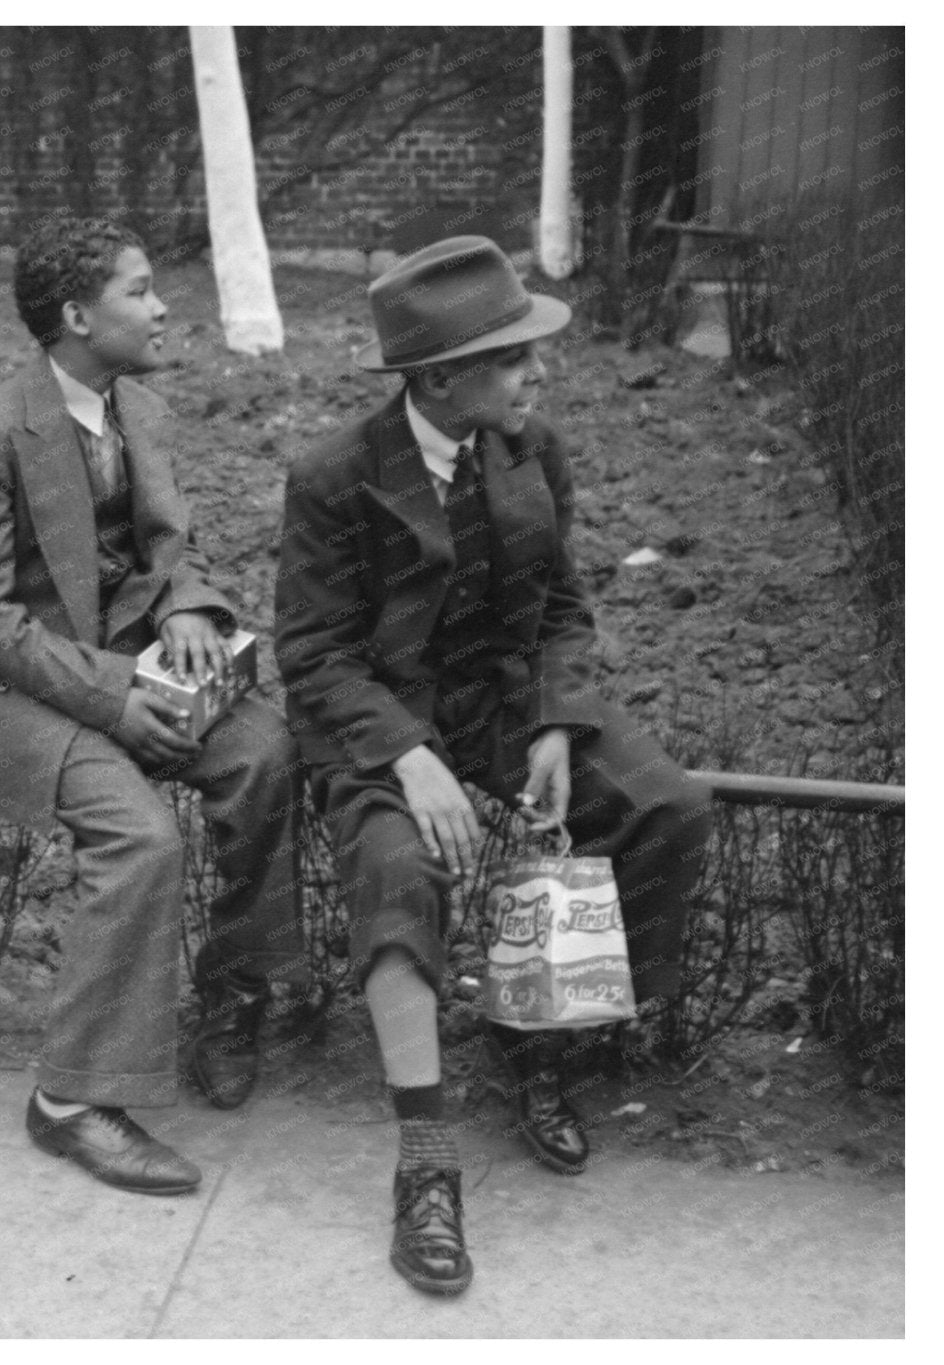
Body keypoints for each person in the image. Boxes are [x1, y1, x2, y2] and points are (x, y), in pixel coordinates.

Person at [274, 235, 714, 1294]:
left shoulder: (529, 449)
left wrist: (557, 723)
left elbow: (561, 605)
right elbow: (311, 654)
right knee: (397, 871)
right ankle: (424, 1163)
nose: (534, 373)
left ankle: (534, 1042)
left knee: (660, 807)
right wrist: (408, 758)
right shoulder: (335, 476)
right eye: (512, 357)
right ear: (438, 377)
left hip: (505, 702)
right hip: (381, 714)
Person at [0, 216, 307, 1196]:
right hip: (17, 681)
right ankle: (68, 1102)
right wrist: (118, 695)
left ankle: (230, 996)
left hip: (124, 655)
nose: (162, 304)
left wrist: (185, 610)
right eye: (139, 290)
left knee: (259, 754)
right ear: (74, 314)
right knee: (139, 840)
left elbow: (165, 551)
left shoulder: (139, 410)